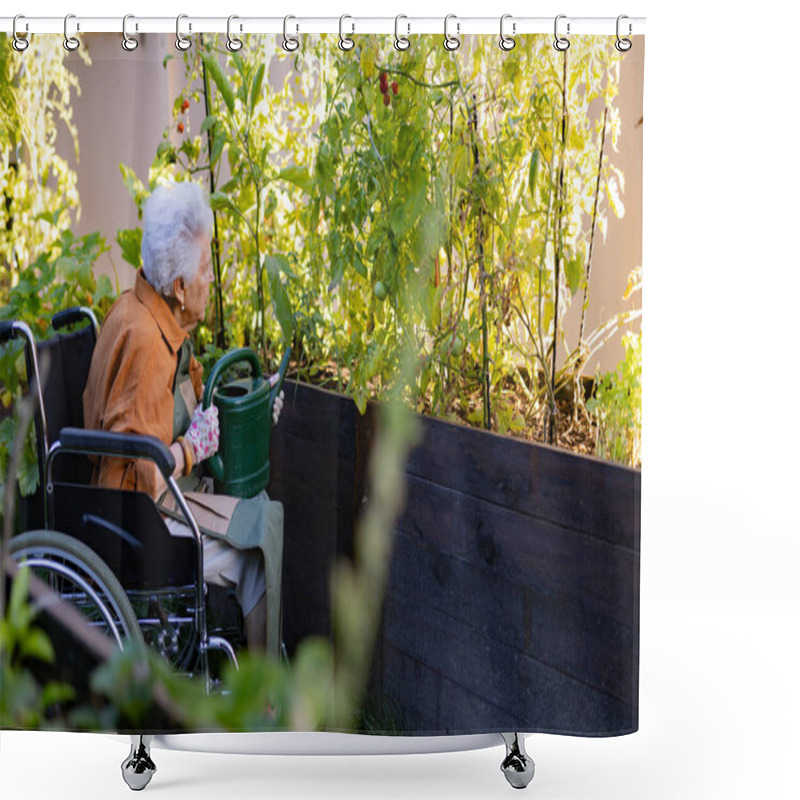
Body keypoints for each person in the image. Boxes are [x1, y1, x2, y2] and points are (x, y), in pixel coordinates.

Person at [82, 181, 283, 653]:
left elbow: (194, 404)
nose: (212, 279)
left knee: (259, 509)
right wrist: (192, 448)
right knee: (257, 548)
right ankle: (264, 709)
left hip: (142, 503)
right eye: (206, 269)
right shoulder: (148, 346)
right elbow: (147, 473)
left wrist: (253, 407)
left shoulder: (144, 311)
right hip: (137, 520)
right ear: (179, 286)